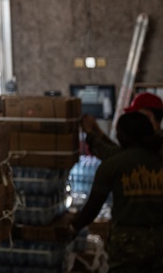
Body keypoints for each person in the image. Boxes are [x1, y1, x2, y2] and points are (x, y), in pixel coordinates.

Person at [70, 111, 163, 270]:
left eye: (119, 132)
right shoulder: (159, 159)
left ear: (125, 136)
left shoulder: (112, 165)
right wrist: (94, 132)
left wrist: (72, 229)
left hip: (126, 243)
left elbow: (93, 207)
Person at [80, 92, 163, 160]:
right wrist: (97, 131)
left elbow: (116, 157)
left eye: (135, 115)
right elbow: (121, 151)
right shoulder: (149, 138)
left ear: (148, 116)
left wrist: (90, 133)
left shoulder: (155, 144)